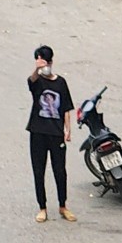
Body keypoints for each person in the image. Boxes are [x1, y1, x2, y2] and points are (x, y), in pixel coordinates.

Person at [27, 46, 76, 222]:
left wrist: (67, 129)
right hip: (37, 132)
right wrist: (36, 69)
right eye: (40, 63)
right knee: (38, 171)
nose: (44, 67)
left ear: (52, 62)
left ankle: (63, 206)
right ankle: (42, 207)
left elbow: (66, 108)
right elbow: (31, 81)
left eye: (46, 63)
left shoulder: (61, 83)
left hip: (56, 134)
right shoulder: (37, 81)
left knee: (60, 171)